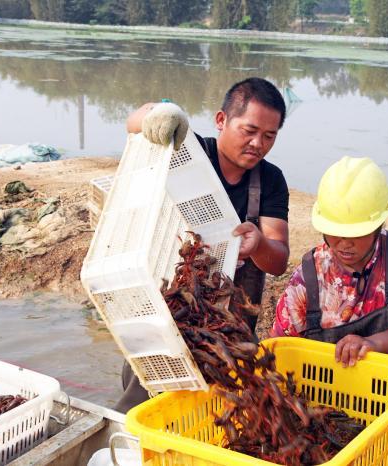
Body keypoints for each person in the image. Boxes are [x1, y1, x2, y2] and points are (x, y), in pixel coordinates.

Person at [115, 77, 290, 412]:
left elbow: (279, 260)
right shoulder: (186, 150)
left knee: (219, 411)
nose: (258, 143)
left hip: (228, 331)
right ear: (221, 120)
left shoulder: (271, 181)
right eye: (249, 130)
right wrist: (160, 115)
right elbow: (135, 121)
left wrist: (258, 246)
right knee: (143, 404)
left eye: (269, 136)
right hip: (167, 314)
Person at [271, 156, 388, 367]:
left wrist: (372, 344)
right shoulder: (308, 276)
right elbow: (279, 347)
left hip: (386, 388)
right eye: (335, 233)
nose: (344, 243)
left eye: (356, 234)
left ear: (378, 225)